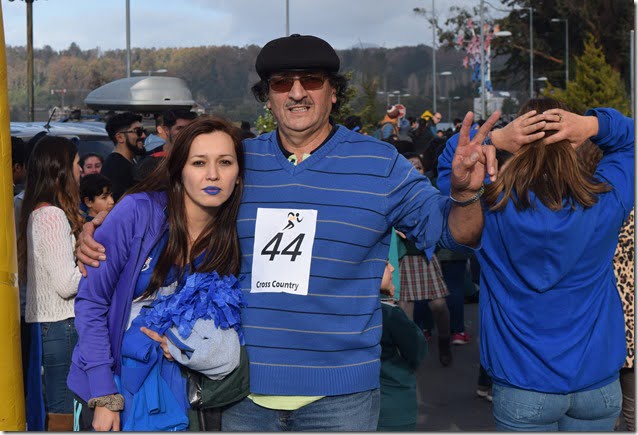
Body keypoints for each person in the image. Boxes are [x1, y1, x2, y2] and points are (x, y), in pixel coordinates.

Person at [76, 33, 500, 431]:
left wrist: (464, 194)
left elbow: (453, 234)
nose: (297, 92)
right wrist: (96, 230)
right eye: (282, 83)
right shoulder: (236, 163)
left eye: (311, 80)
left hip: (342, 397)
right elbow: (164, 211)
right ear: (267, 97)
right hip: (243, 394)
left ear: (333, 92)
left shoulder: (381, 164)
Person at [437, 98, 633, 431]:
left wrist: (496, 138)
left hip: (522, 385)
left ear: (519, 144)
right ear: (573, 145)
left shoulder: (488, 207)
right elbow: (631, 142)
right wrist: (592, 126)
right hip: (597, 381)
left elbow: (452, 171)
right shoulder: (606, 200)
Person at [67, 115, 246, 431]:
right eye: (199, 163)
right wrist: (105, 394)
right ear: (178, 169)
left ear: (238, 174)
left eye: (226, 162)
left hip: (174, 395)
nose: (214, 175)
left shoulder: (230, 234)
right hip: (109, 387)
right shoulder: (139, 212)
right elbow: (92, 303)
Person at [17, 135, 83, 431]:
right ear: (62, 170)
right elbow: (67, 284)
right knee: (63, 412)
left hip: (49, 325)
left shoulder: (38, 211)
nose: (81, 171)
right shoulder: (52, 216)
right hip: (60, 324)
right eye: (78, 164)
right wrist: (94, 263)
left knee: (55, 408)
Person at [397, 152, 452, 366]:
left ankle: (445, 342)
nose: (415, 170)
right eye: (410, 166)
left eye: (418, 167)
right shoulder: (395, 190)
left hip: (426, 256)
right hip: (405, 257)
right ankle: (409, 355)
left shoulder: (432, 192)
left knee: (438, 305)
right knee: (405, 309)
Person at [377, 261, 428, 431]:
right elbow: (417, 350)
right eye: (386, 264)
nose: (392, 268)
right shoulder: (389, 313)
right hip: (394, 407)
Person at [135, 109, 199, 183]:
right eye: (180, 128)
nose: (185, 133)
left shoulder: (198, 157)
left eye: (189, 129)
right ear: (166, 130)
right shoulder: (150, 157)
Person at [102, 112, 147, 202]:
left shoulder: (129, 162)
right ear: (120, 138)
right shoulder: (115, 167)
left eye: (143, 131)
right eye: (138, 131)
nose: (143, 135)